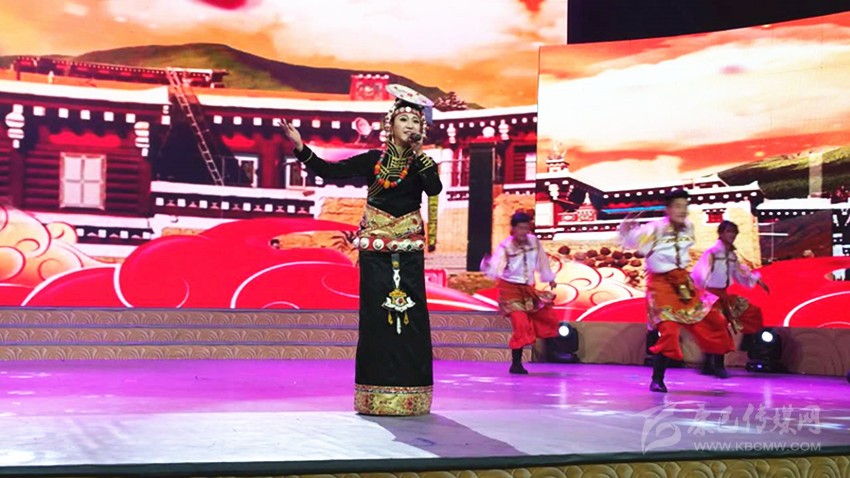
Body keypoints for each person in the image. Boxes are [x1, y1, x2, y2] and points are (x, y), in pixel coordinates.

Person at [280, 84, 442, 416]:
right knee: (376, 317)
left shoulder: (422, 164)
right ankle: (374, 393)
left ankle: (412, 393)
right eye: (404, 120)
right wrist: (300, 147)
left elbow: (434, 189)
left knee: (410, 317)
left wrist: (423, 160)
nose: (410, 126)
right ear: (390, 126)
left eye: (416, 121)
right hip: (374, 249)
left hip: (408, 248)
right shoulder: (373, 161)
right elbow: (330, 171)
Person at [619, 189, 734, 392]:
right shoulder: (654, 229)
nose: (682, 210)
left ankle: (711, 362)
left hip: (683, 282)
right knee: (669, 330)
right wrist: (627, 229)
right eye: (678, 206)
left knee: (713, 320)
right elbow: (630, 240)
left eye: (685, 206)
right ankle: (657, 379)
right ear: (668, 209)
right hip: (661, 285)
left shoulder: (688, 227)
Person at [481, 211, 559, 374]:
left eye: (527, 228)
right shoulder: (506, 246)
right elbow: (497, 266)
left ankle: (553, 353)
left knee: (547, 317)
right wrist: (489, 267)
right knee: (521, 324)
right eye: (521, 228)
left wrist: (549, 278)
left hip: (527, 288)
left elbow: (542, 260)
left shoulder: (534, 242)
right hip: (510, 289)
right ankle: (516, 364)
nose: (524, 232)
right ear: (514, 229)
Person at [692, 220, 769, 372]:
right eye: (728, 231)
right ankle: (715, 365)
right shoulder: (712, 253)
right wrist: (701, 294)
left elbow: (740, 273)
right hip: (710, 296)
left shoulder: (731, 255)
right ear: (721, 234)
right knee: (718, 328)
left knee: (751, 312)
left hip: (723, 295)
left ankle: (746, 345)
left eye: (734, 232)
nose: (732, 235)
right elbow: (700, 273)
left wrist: (756, 279)